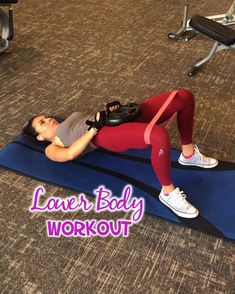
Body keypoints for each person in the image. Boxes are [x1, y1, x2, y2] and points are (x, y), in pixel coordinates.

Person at [22, 89, 218, 219]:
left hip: (114, 120)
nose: (48, 120)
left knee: (182, 96)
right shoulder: (51, 148)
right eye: (42, 123)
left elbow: (94, 118)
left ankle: (188, 154)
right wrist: (94, 130)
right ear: (40, 137)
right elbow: (71, 154)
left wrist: (110, 111)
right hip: (103, 135)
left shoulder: (66, 122)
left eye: (46, 117)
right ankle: (168, 193)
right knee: (158, 135)